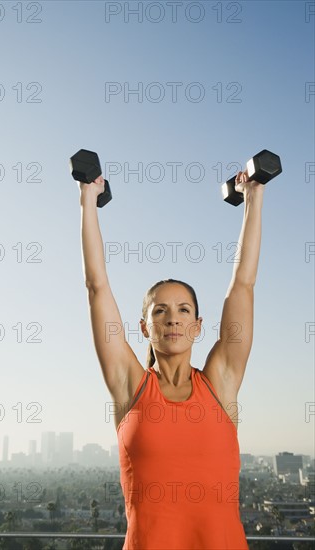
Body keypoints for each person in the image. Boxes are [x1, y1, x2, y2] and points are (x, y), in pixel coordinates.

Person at [77, 169, 261, 549]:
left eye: (182, 310)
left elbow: (243, 284)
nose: (172, 318)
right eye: (160, 311)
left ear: (197, 326)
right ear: (144, 328)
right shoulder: (130, 386)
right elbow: (97, 287)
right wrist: (88, 200)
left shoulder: (221, 382)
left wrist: (254, 198)